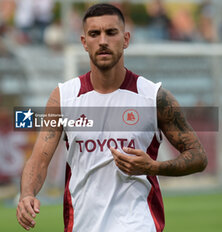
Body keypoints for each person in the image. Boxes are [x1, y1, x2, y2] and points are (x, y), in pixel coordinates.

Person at [16, 3, 207, 232]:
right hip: (83, 225)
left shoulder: (154, 97)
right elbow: (39, 159)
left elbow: (198, 156)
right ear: (84, 43)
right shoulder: (63, 97)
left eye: (111, 32)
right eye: (94, 34)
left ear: (125, 39)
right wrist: (27, 194)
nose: (103, 41)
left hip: (138, 224)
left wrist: (154, 167)